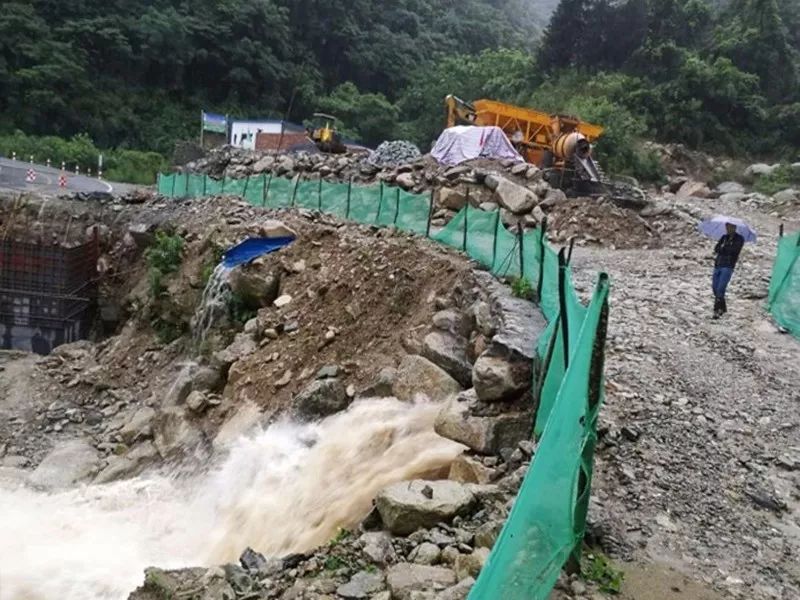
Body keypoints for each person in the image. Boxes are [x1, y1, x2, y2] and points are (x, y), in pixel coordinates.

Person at [712, 222, 744, 319]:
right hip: (718, 265)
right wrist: (724, 248)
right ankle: (723, 307)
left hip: (728, 266)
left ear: (734, 227)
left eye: (730, 227)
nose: (728, 229)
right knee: (715, 287)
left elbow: (734, 251)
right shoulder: (724, 237)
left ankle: (717, 310)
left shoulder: (739, 239)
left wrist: (724, 248)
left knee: (721, 288)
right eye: (727, 227)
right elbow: (716, 248)